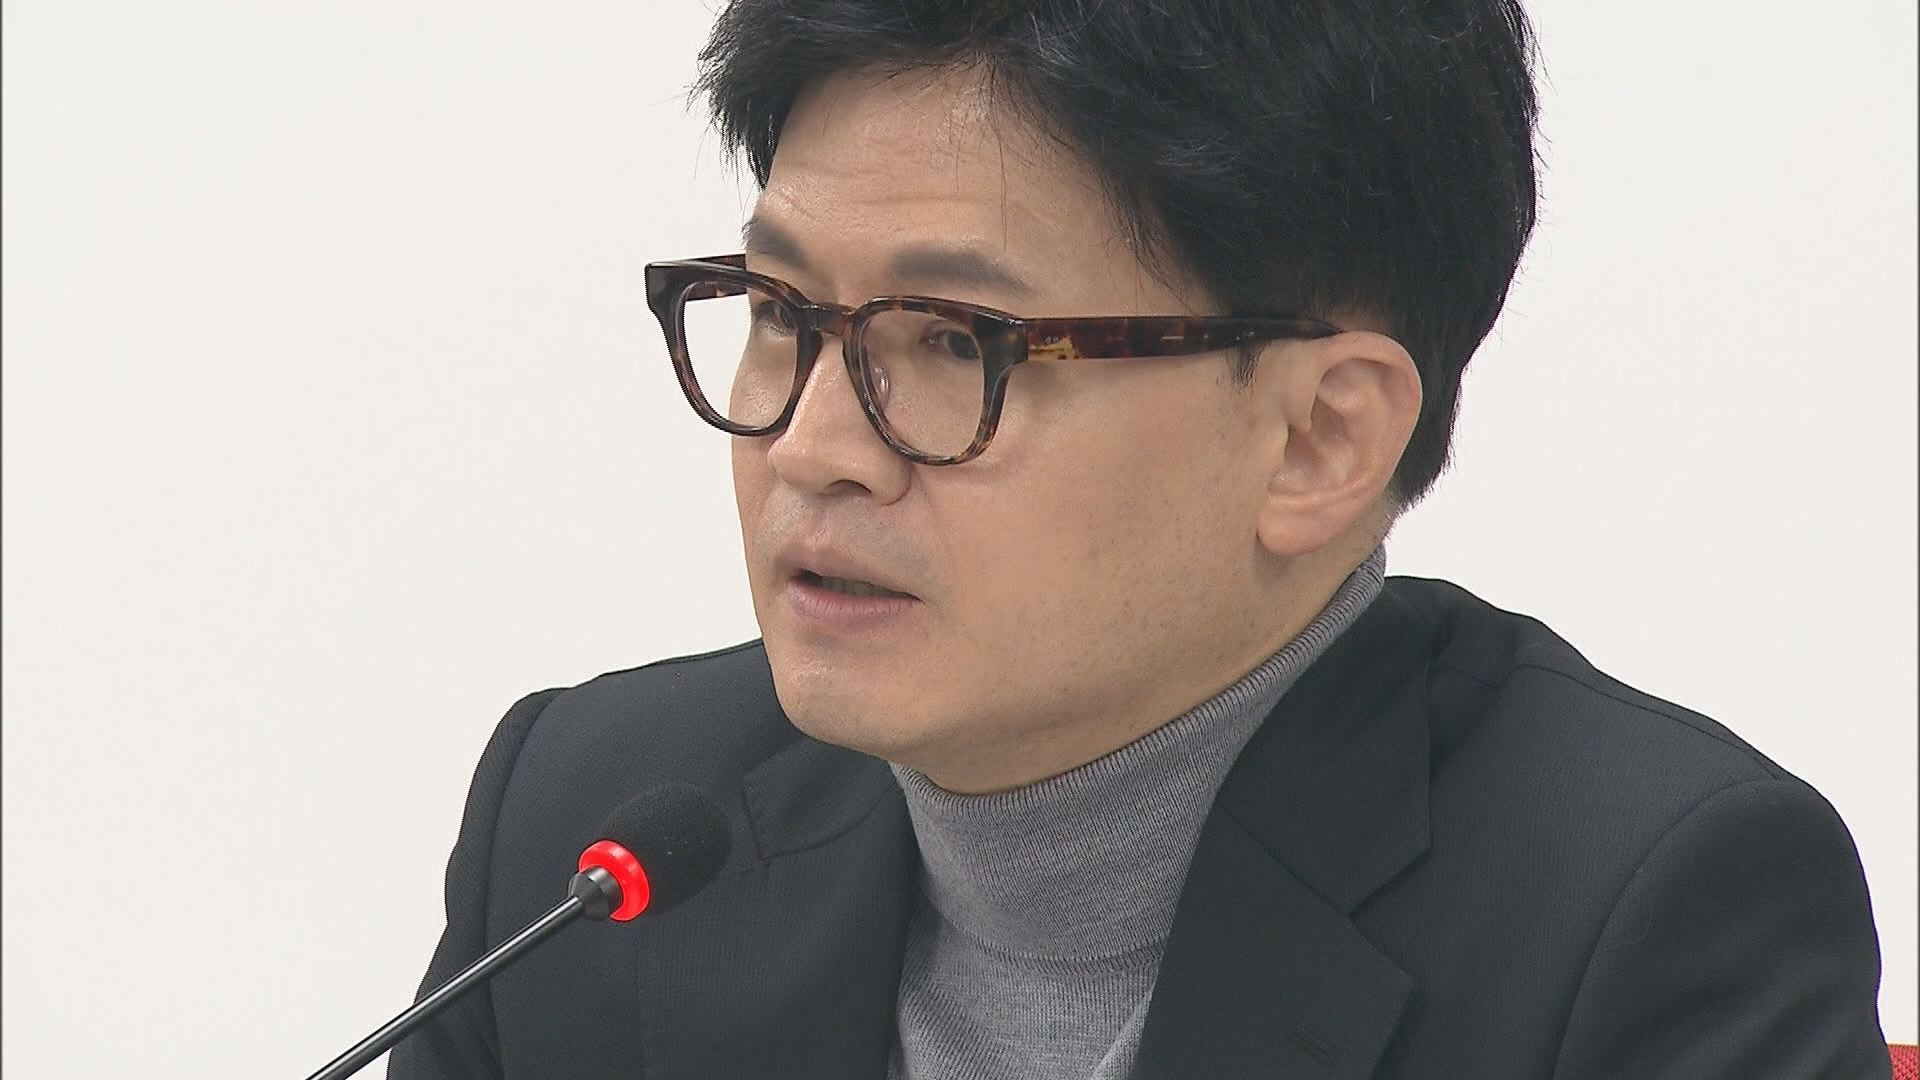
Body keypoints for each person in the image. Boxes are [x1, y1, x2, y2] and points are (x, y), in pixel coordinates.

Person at [390, 0, 1890, 1076]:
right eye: (782, 311)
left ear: (1318, 440)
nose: (811, 446)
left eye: (955, 342)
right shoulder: (581, 840)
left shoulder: (1640, 924)